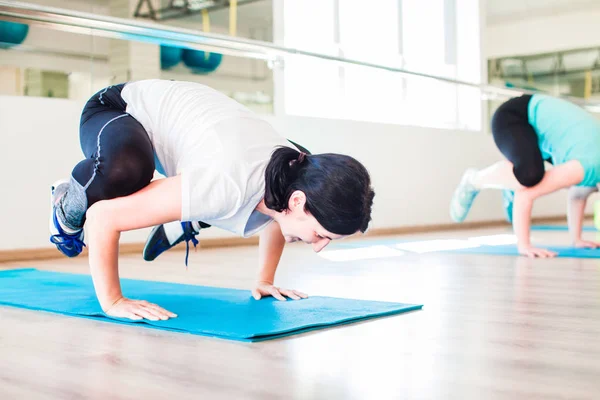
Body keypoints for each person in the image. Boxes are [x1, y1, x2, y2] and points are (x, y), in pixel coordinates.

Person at [49, 79, 375, 321]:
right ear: (299, 202)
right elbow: (105, 218)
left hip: (197, 148)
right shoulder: (227, 183)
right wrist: (113, 302)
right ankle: (68, 202)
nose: (318, 246)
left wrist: (264, 281)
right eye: (322, 235)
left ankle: (187, 212)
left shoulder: (294, 173)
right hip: (118, 109)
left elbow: (280, 217)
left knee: (222, 197)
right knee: (127, 170)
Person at [450, 93, 600, 258]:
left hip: (540, 133)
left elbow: (578, 196)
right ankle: (474, 180)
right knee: (529, 176)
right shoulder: (589, 165)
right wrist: (525, 245)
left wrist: (577, 239)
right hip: (515, 116)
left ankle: (511, 181)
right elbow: (526, 195)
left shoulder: (591, 170)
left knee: (532, 174)